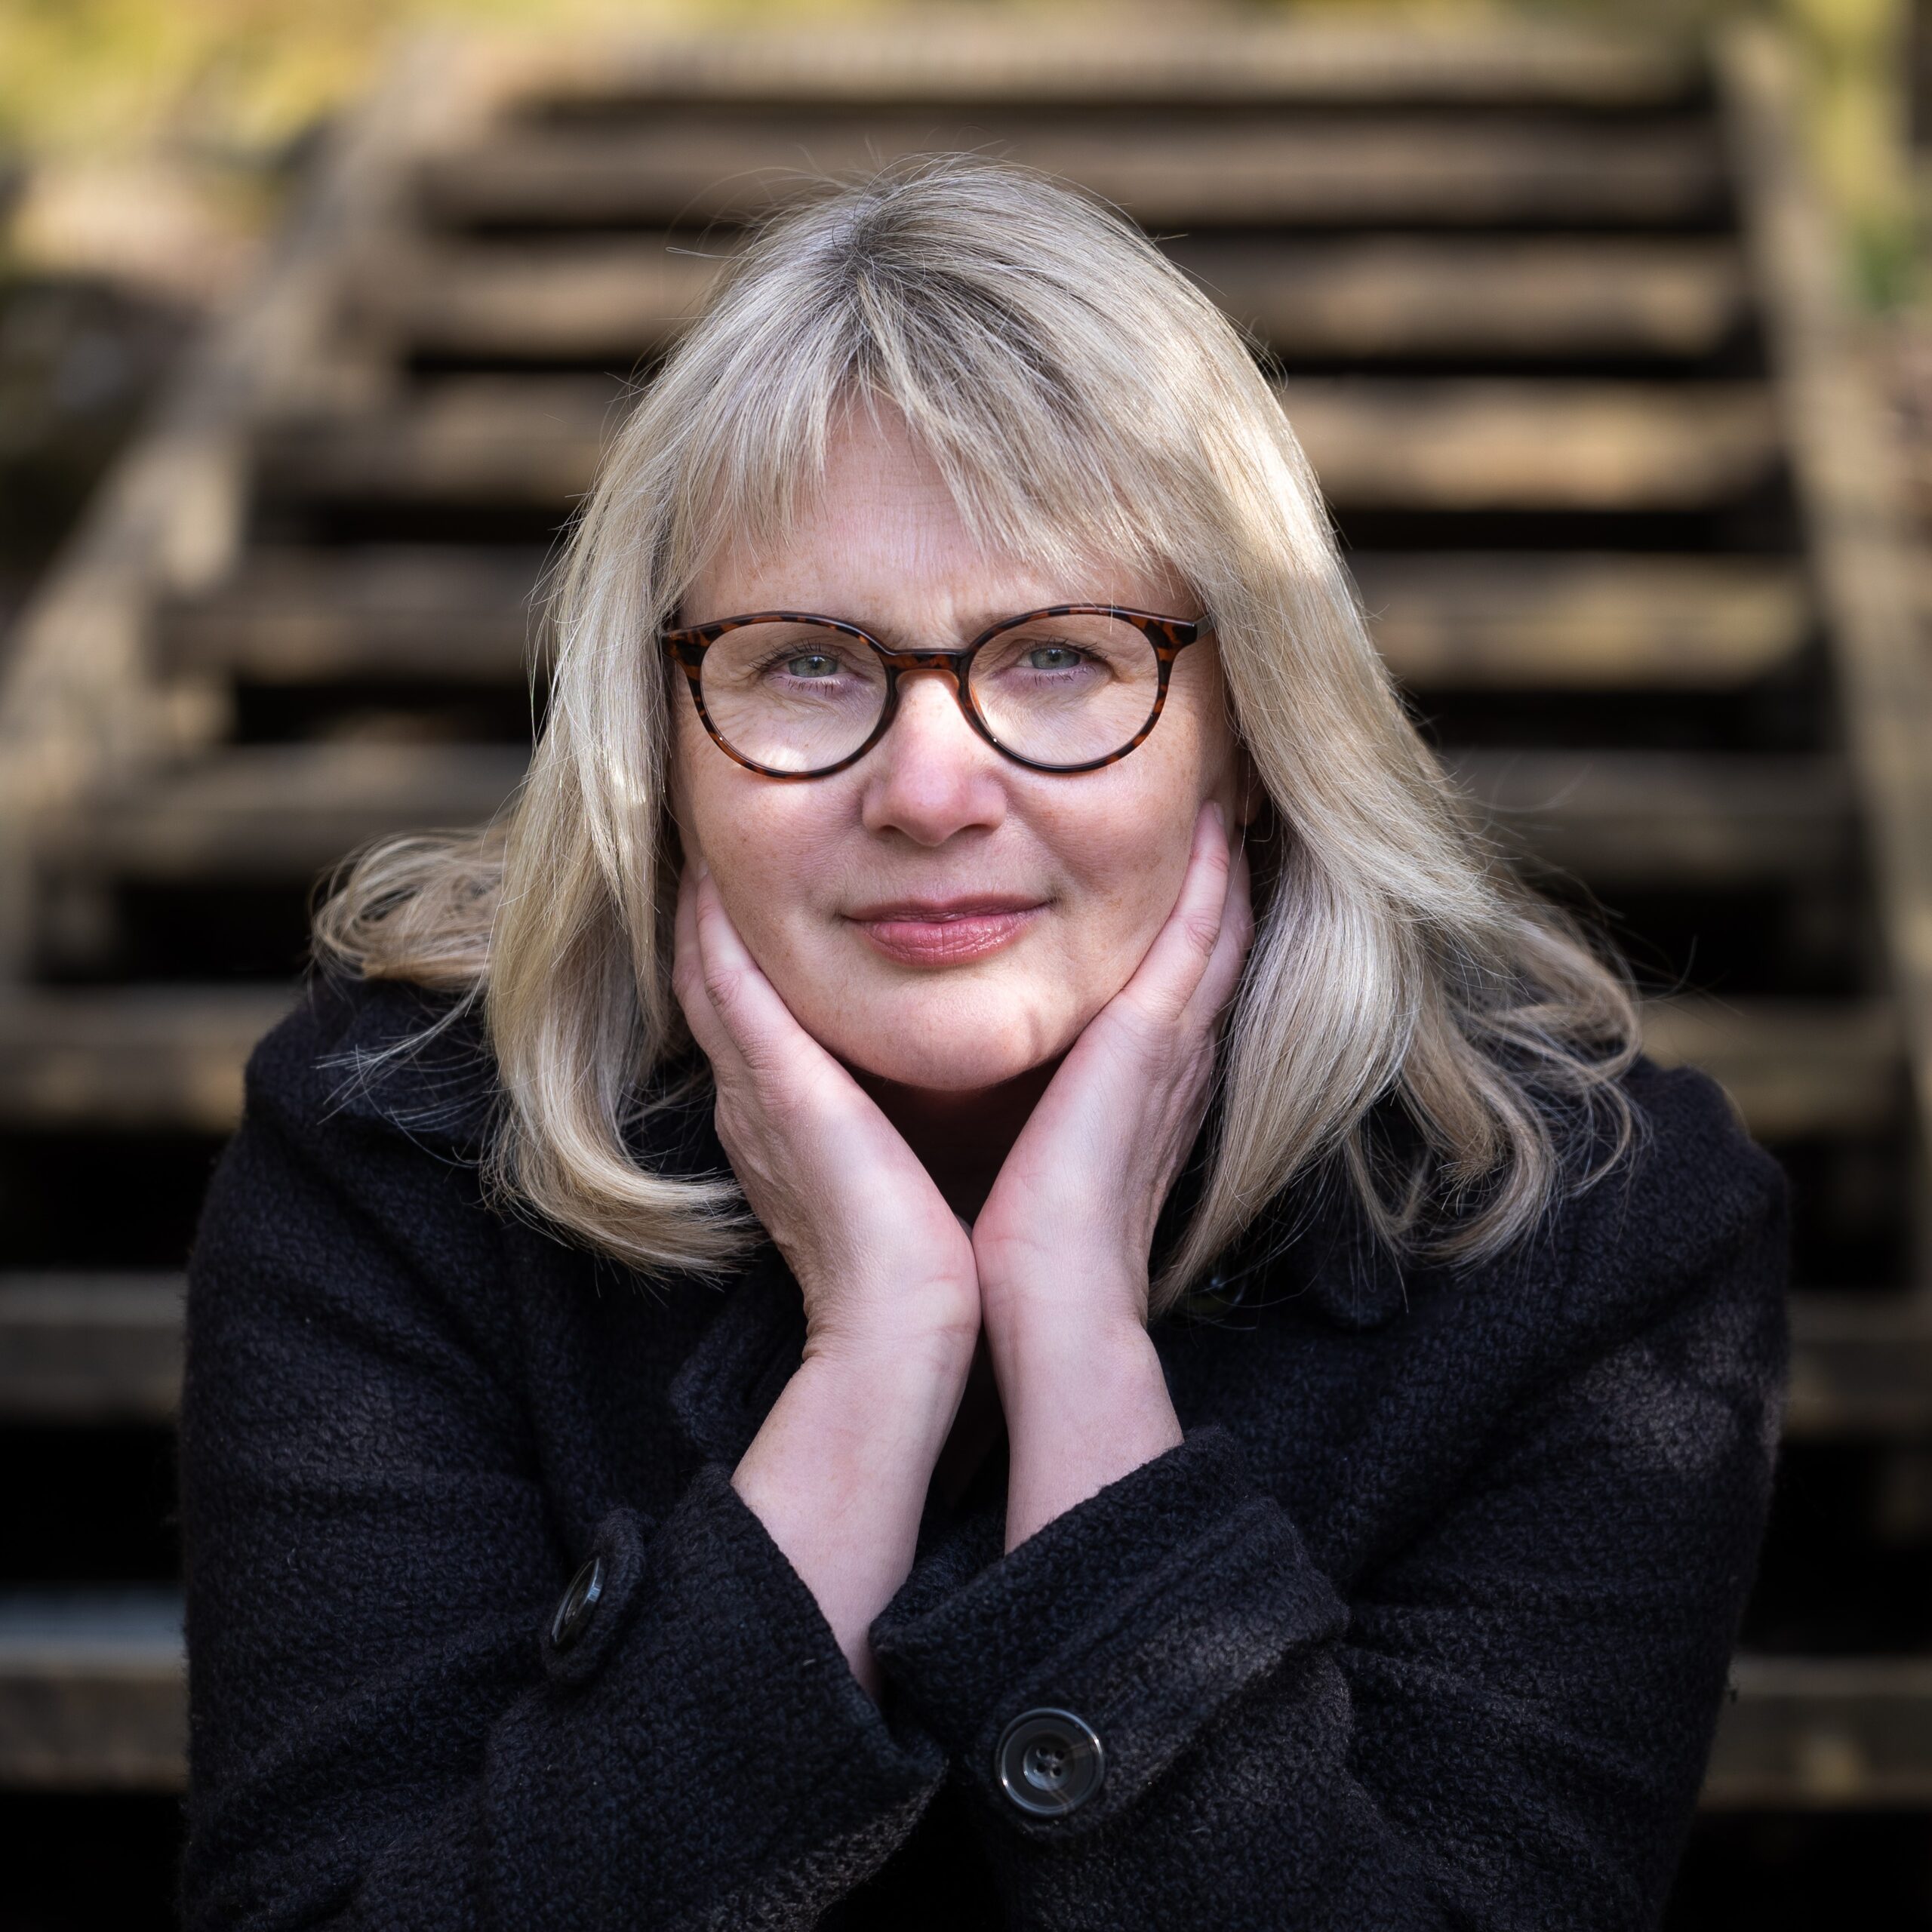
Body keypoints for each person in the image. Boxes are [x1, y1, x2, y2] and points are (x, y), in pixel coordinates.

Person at [180, 158, 1788, 1931]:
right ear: (658, 729)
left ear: (1250, 727)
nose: (931, 788)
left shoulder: (1587, 1233)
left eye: (1060, 657)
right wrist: (873, 1362)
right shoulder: (398, 1146)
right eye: (804, 661)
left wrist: (1078, 1355)